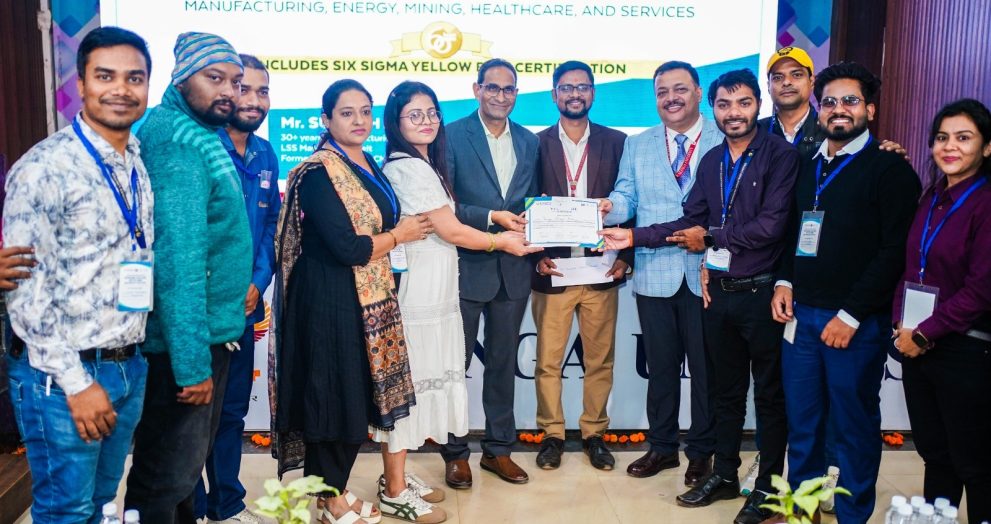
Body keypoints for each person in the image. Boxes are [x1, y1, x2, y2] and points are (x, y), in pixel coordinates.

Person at [601, 68, 798, 524]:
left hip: (762, 293)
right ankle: (724, 474)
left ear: (759, 105)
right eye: (725, 105)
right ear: (715, 108)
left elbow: (771, 227)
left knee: (769, 398)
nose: (734, 113)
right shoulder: (713, 161)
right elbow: (687, 220)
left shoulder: (779, 156)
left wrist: (709, 237)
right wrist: (632, 237)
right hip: (721, 292)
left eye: (744, 103)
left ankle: (766, 490)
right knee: (725, 393)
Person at [4, 26, 154, 522]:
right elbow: (25, 294)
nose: (121, 89)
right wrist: (76, 383)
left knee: (97, 504)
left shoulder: (133, 161)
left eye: (134, 78)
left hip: (126, 364)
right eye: (105, 76)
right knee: (65, 512)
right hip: (63, 375)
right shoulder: (44, 168)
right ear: (82, 84)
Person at [374, 80, 540, 523]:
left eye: (432, 112)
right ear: (395, 121)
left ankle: (397, 477)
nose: (426, 121)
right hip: (422, 292)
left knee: (420, 382)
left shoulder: (423, 162)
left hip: (439, 285)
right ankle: (394, 489)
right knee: (409, 386)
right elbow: (450, 229)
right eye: (415, 114)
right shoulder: (409, 167)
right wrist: (501, 241)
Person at [269, 79, 429, 524]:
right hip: (328, 299)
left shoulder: (365, 161)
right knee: (332, 402)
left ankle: (333, 492)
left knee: (352, 401)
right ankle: (330, 500)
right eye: (346, 113)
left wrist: (394, 235)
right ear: (326, 119)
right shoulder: (318, 172)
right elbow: (347, 247)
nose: (359, 120)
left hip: (365, 297)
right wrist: (400, 235)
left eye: (365, 111)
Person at [772, 62, 921, 524]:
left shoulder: (890, 170)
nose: (839, 109)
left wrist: (851, 314)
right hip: (802, 318)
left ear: (870, 110)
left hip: (855, 324)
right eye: (831, 102)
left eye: (851, 101)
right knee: (803, 426)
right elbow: (793, 232)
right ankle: (803, 514)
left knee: (853, 428)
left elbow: (894, 252)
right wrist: (784, 281)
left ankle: (853, 516)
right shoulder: (807, 165)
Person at [124, 32, 253, 523]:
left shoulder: (196, 131)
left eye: (235, 82)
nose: (228, 92)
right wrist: (191, 365)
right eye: (214, 78)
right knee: (166, 476)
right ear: (181, 79)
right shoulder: (177, 141)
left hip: (200, 335)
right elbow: (178, 263)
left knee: (180, 474)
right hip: (182, 347)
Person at [598, 60, 722, 486]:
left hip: (709, 274)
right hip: (655, 274)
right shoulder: (639, 143)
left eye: (680, 89)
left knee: (706, 372)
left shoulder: (725, 136)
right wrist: (609, 207)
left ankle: (702, 452)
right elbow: (626, 195)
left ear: (698, 92)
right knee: (662, 370)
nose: (671, 98)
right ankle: (663, 447)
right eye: (662, 91)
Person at [440, 58, 540, 488]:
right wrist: (490, 217)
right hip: (465, 268)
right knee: (455, 368)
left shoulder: (530, 141)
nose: (501, 96)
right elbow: (444, 204)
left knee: (502, 366)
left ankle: (499, 450)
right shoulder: (450, 135)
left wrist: (540, 233)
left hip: (513, 270)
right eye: (493, 87)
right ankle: (455, 453)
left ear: (516, 93)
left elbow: (534, 202)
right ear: (477, 89)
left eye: (509, 89)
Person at [892, 98, 991, 524]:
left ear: (987, 147)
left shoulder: (984, 202)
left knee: (974, 462)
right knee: (935, 454)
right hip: (919, 346)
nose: (950, 147)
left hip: (965, 349)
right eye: (942, 138)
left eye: (963, 138)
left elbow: (981, 290)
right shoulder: (932, 196)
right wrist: (902, 323)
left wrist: (924, 333)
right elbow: (911, 266)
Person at [529, 60, 629, 473]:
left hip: (601, 270)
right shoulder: (534, 143)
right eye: (567, 88)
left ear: (593, 93)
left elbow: (632, 200)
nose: (575, 94)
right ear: (554, 94)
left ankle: (594, 434)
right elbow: (525, 203)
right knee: (548, 362)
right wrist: (535, 256)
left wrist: (626, 258)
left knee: (599, 361)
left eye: (582, 87)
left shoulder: (618, 142)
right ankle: (552, 435)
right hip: (553, 270)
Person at [194, 54, 281, 524]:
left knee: (230, 413)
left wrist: (257, 281)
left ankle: (226, 504)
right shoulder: (201, 146)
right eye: (244, 88)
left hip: (244, 306)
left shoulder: (265, 153)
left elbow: (269, 228)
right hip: (200, 308)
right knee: (194, 414)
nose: (253, 100)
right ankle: (190, 506)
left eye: (262, 91)